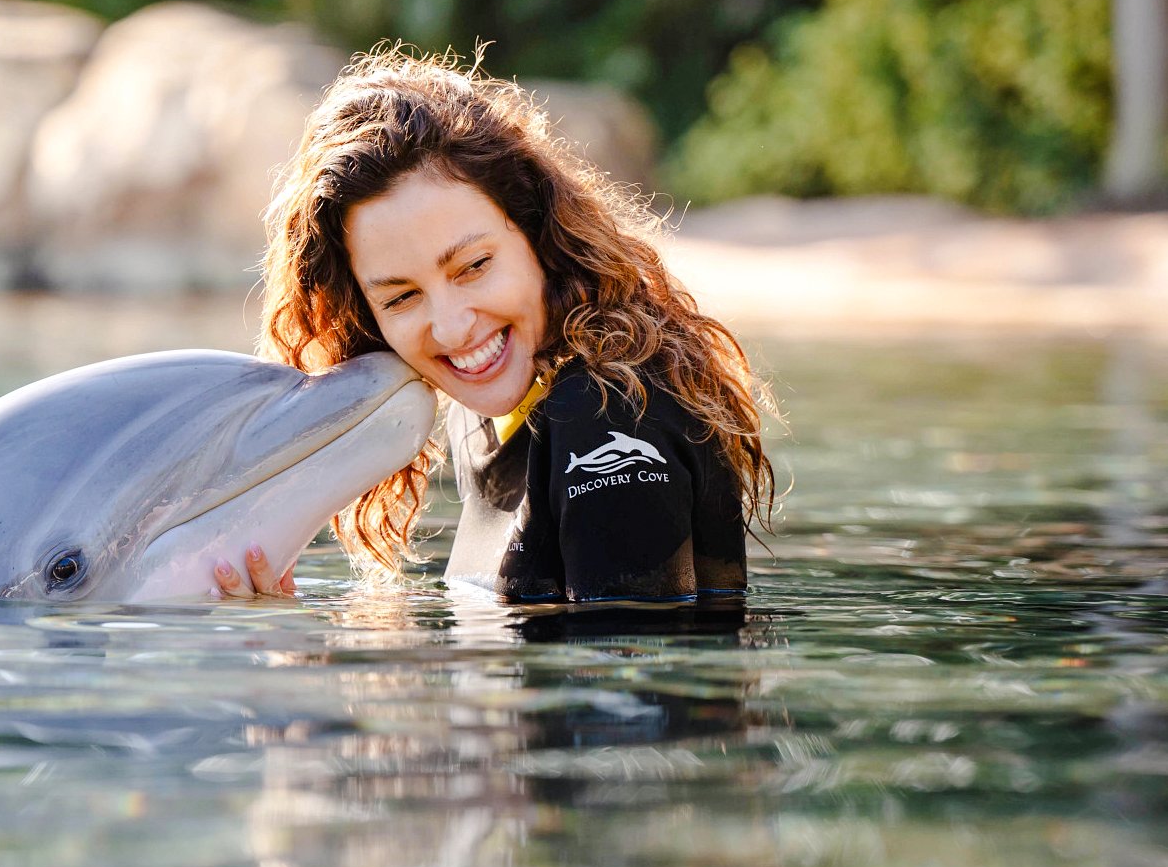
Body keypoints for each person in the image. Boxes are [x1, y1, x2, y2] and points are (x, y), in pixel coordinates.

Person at [212, 49, 775, 613]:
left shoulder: (602, 413)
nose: (454, 328)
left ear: (535, 231)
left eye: (474, 266)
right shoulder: (485, 408)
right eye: (402, 296)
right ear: (365, 315)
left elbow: (632, 676)